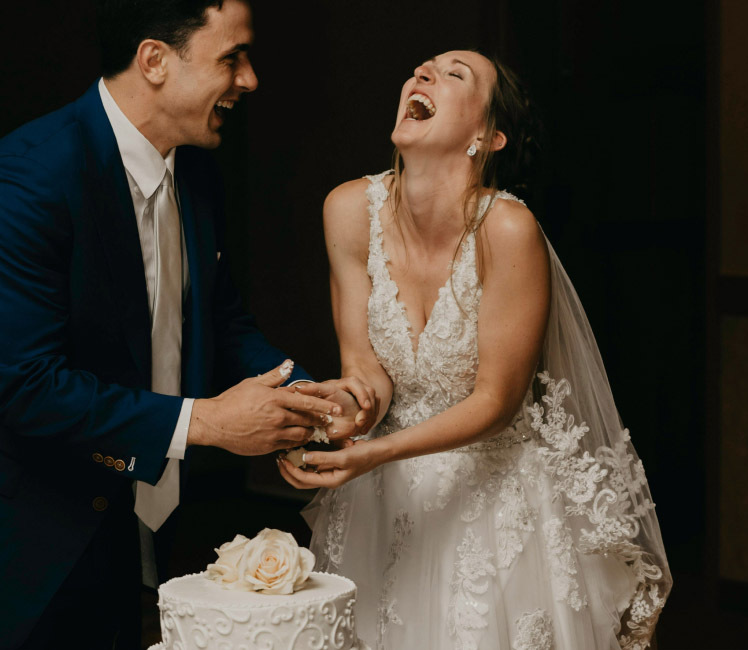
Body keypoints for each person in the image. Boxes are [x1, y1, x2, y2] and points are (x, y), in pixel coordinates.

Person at [0, 1, 375, 648]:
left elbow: (221, 321)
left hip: (126, 521)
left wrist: (304, 399)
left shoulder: (196, 170)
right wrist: (209, 423)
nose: (250, 79)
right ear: (154, 60)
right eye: (231, 58)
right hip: (8, 531)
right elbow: (28, 386)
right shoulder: (20, 183)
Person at [278, 50, 671, 649]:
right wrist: (332, 414)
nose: (422, 73)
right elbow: (365, 372)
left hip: (493, 505)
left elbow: (497, 402)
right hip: (383, 501)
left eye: (454, 73)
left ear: (487, 137)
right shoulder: (347, 210)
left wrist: (374, 454)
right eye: (423, 68)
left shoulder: (507, 229)